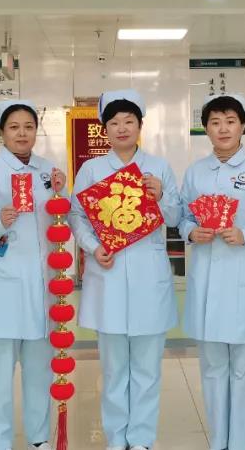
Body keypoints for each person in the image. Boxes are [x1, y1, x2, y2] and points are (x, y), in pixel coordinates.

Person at [68, 89, 181, 450]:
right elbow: (76, 215)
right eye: (114, 122)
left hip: (149, 273)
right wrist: (93, 247)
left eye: (129, 121)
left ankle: (142, 439)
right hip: (109, 273)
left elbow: (177, 217)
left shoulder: (158, 167)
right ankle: (117, 439)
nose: (121, 128)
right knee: (114, 368)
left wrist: (161, 196)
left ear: (140, 126)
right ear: (104, 129)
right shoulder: (91, 169)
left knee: (147, 368)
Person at [179, 93, 245, 450]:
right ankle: (218, 442)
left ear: (242, 126)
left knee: (244, 370)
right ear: (205, 128)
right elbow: (183, 217)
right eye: (215, 122)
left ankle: (239, 444)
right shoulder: (195, 172)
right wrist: (191, 232)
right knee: (212, 369)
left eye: (230, 121)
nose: (223, 129)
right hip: (208, 280)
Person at [0, 99, 67, 450]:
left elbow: (59, 216)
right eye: (14, 127)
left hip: (43, 283)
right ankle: (0, 441)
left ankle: (39, 439)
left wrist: (61, 192)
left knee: (39, 370)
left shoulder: (47, 169)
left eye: (28, 127)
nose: (22, 133)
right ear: (2, 132)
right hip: (4, 282)